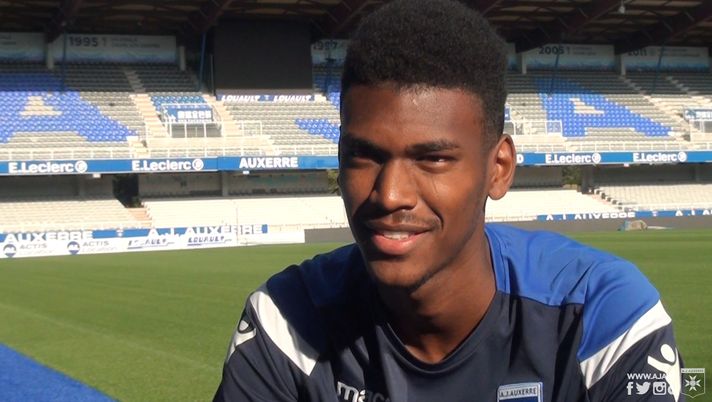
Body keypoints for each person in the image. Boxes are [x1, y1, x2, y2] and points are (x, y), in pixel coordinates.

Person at [214, 0, 683, 400]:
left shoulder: (601, 316)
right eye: (364, 156)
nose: (390, 194)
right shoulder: (286, 319)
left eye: (433, 159)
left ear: (498, 168)